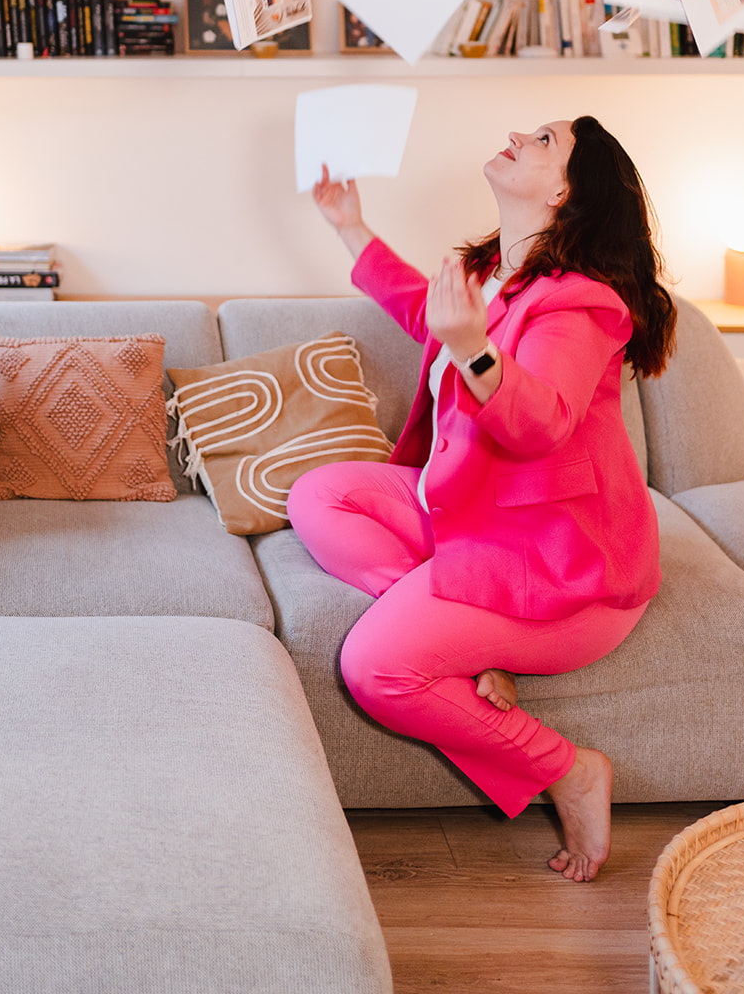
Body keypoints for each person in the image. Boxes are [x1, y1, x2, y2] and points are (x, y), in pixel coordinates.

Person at [287, 116, 676, 882]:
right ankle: (458, 645)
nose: (515, 135)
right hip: (471, 522)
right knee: (319, 493)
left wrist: (475, 349)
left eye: (542, 140)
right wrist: (351, 227)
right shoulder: (498, 270)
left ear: (569, 190)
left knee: (376, 666)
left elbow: (543, 423)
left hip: (559, 570)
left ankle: (568, 769)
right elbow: (423, 314)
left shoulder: (582, 304)